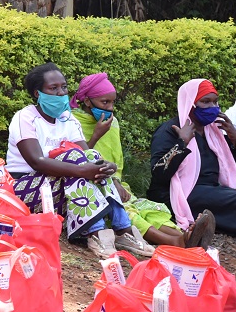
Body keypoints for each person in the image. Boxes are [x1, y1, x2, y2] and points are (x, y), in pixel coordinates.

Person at [7, 63, 154, 259]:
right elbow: (36, 161)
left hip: (59, 187)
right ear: (37, 93)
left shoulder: (68, 119)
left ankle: (122, 230)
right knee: (75, 158)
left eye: (64, 87)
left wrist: (105, 167)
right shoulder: (25, 117)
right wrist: (83, 171)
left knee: (91, 158)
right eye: (53, 88)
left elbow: (88, 156)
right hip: (26, 188)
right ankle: (96, 232)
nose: (61, 93)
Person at [71, 72, 215, 248]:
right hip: (89, 185)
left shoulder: (112, 122)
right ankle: (174, 241)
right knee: (129, 212)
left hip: (113, 181)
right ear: (87, 101)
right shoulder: (73, 122)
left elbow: (115, 160)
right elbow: (78, 158)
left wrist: (115, 179)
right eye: (104, 102)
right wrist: (96, 135)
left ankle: (185, 235)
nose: (110, 108)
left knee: (147, 208)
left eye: (113, 102)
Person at [147, 79, 236, 237]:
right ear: (190, 103)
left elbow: (234, 171)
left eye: (215, 102)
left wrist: (234, 142)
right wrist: (181, 144)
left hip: (211, 190)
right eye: (205, 102)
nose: (213, 107)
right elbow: (158, 174)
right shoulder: (171, 130)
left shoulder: (213, 133)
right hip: (179, 193)